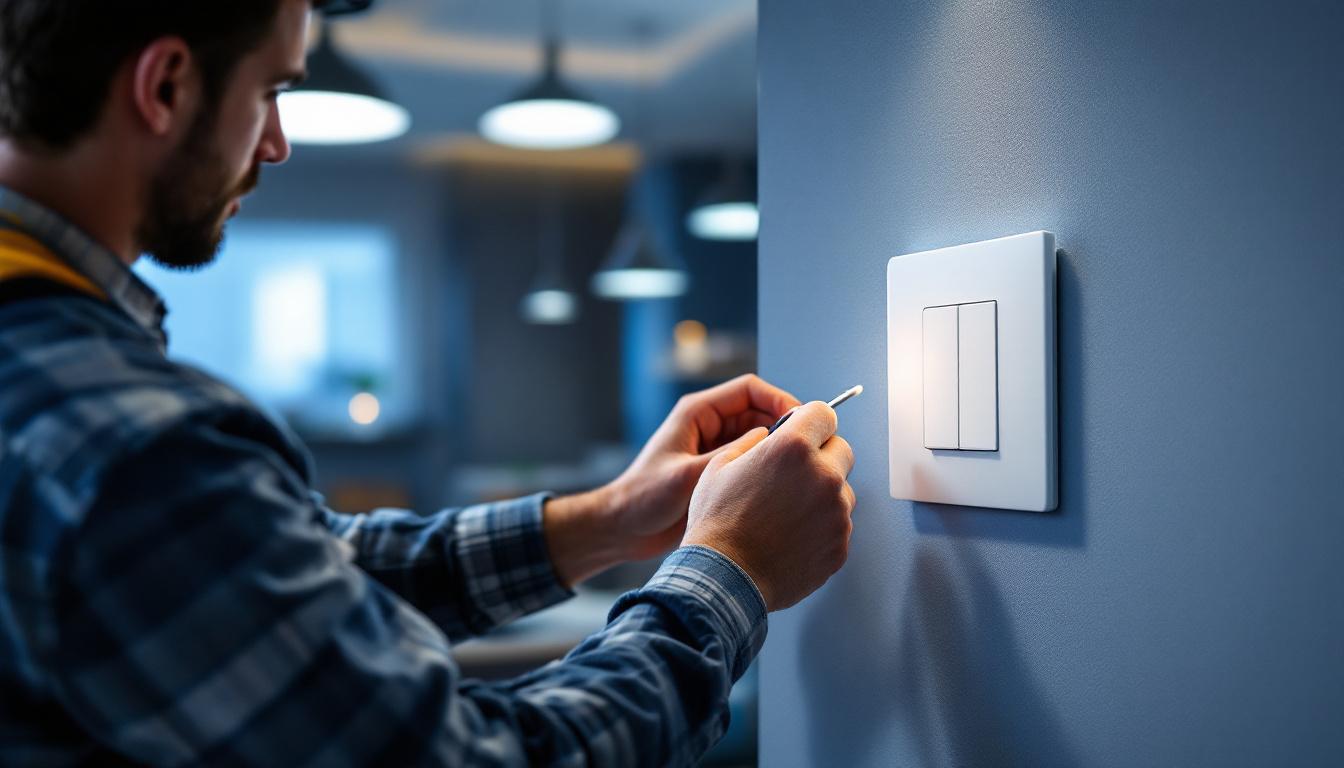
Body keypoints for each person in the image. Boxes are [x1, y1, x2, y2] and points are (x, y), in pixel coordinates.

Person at [0, 0, 856, 765]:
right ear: (166, 85)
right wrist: (728, 569)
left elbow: (282, 577)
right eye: (269, 90)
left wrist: (606, 520)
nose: (276, 143)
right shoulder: (131, 443)